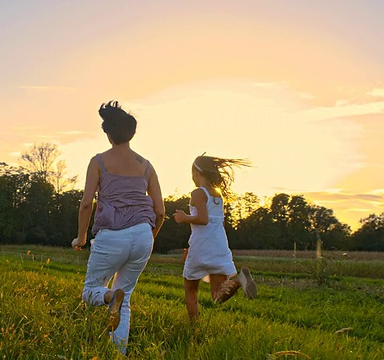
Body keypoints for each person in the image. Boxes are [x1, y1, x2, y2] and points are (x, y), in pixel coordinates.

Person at [71, 100, 165, 354]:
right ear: (132, 133)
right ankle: (118, 353)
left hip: (112, 236)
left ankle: (110, 297)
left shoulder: (99, 161)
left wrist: (80, 238)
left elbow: (86, 205)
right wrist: (150, 237)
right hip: (143, 235)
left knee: (91, 291)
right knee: (126, 299)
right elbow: (160, 211)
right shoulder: (146, 166)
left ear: (108, 134)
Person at [173, 154, 258, 322]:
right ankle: (238, 280)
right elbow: (213, 222)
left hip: (202, 245)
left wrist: (184, 217)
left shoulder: (198, 193)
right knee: (218, 295)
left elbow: (203, 220)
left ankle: (194, 327)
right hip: (219, 244)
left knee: (190, 290)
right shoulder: (218, 195)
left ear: (197, 173)